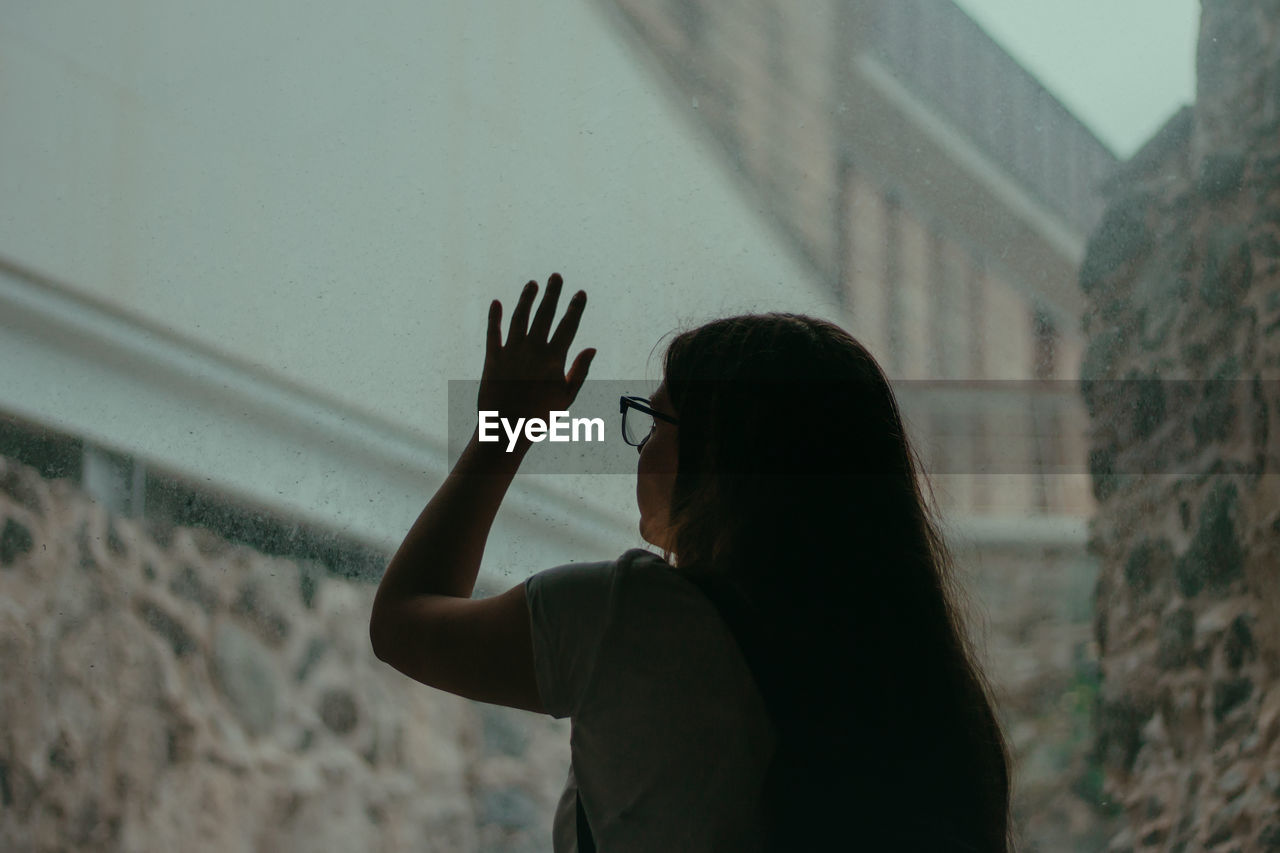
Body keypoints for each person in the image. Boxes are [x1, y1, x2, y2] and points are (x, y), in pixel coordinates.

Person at [370, 273, 1015, 852]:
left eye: (656, 422)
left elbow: (402, 623)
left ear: (722, 458)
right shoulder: (941, 702)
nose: (641, 447)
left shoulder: (629, 619)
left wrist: (502, 431)